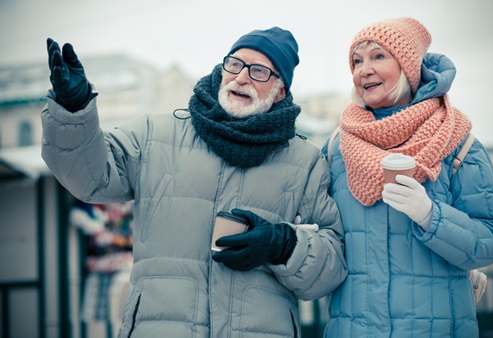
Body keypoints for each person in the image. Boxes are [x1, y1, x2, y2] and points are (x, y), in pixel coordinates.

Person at [41, 27, 347, 337]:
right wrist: (73, 110)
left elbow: (331, 266)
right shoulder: (154, 135)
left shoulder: (306, 162)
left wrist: (284, 246)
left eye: (259, 71)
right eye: (235, 64)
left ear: (280, 90)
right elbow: (90, 178)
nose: (242, 77)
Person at [322, 17, 493, 337]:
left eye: (378, 56)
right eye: (356, 61)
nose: (363, 69)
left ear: (407, 66)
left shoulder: (457, 143)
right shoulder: (336, 149)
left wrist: (431, 216)